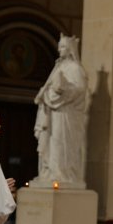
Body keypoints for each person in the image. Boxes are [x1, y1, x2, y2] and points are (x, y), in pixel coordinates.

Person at [33, 33, 90, 188]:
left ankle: (61, 174)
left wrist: (63, 88)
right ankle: (50, 173)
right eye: (59, 47)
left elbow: (79, 89)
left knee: (60, 143)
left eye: (63, 47)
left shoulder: (75, 68)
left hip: (66, 114)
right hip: (53, 112)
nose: (59, 50)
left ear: (70, 48)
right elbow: (50, 86)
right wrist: (47, 93)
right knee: (50, 142)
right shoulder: (58, 67)